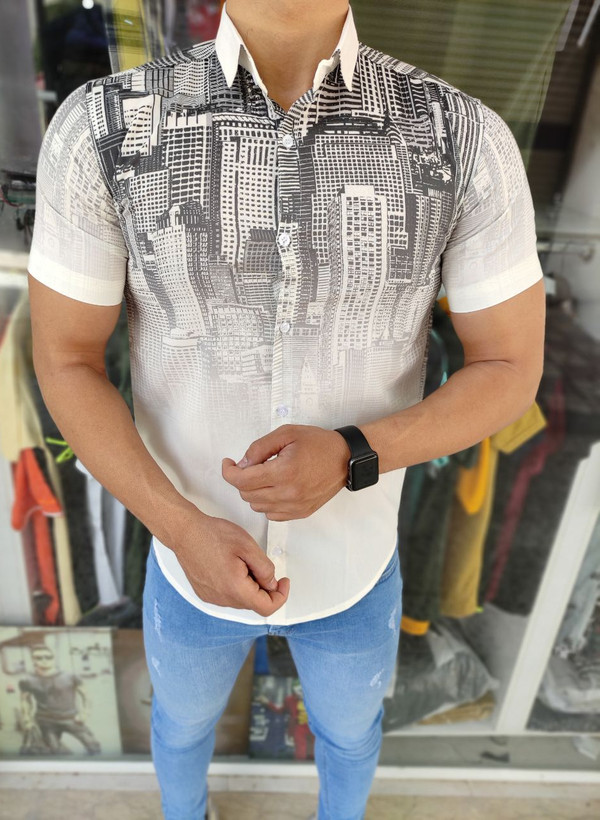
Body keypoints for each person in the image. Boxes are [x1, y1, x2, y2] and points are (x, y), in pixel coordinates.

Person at [27, 0, 545, 817]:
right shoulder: (103, 128)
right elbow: (65, 358)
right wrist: (180, 527)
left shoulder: (461, 138)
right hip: (186, 561)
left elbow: (510, 366)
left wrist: (355, 453)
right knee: (181, 726)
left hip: (355, 568)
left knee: (351, 735)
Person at [18, 644, 101, 755]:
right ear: (33, 660)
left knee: (93, 746)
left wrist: (85, 713)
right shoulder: (27, 680)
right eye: (39, 658)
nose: (44, 660)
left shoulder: (71, 676)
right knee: (56, 751)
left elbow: (86, 695)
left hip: (71, 718)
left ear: (53, 658)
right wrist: (27, 719)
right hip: (46, 721)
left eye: (48, 657)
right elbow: (25, 700)